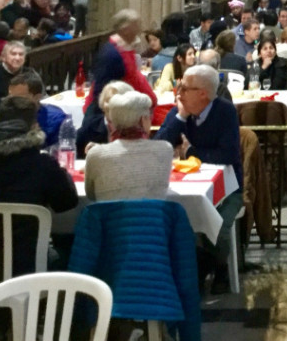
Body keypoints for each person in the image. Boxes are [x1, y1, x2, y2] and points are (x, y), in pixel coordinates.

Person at [0, 96, 79, 275]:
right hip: (28, 266)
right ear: (34, 126)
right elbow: (66, 203)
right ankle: (53, 302)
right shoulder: (41, 163)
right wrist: (61, 173)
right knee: (69, 247)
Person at [155, 64, 244, 292]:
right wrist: (180, 117)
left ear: (202, 93)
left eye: (185, 88)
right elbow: (158, 148)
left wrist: (191, 152)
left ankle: (218, 266)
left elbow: (227, 155)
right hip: (184, 186)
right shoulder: (181, 110)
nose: (179, 92)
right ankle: (191, 269)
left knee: (219, 226)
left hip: (227, 188)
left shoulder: (225, 112)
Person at [84, 91, 173, 201]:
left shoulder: (95, 154)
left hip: (110, 218)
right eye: (149, 116)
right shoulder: (165, 150)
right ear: (142, 120)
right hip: (152, 217)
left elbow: (91, 195)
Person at [1, 70, 66, 146]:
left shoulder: (56, 119)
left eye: (19, 98)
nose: (12, 102)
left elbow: (62, 151)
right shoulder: (0, 117)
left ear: (37, 97)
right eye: (10, 97)